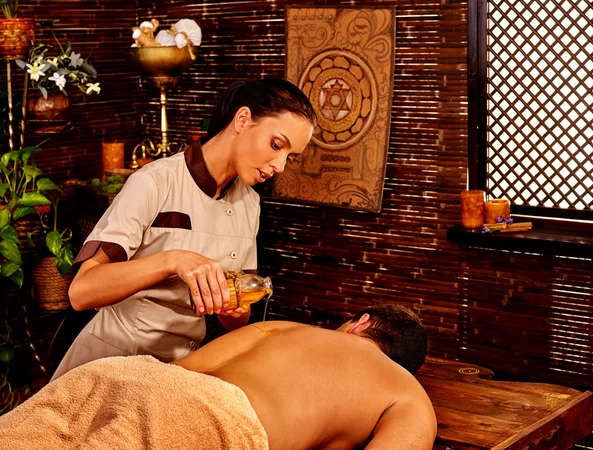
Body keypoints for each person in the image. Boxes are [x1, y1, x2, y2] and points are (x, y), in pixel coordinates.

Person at [51, 79, 317, 381]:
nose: (280, 165)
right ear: (242, 120)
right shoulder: (154, 182)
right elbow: (82, 291)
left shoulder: (249, 204)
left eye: (290, 157)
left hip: (180, 373)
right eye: (276, 145)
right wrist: (171, 260)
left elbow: (236, 320)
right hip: (109, 363)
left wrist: (232, 307)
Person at [0, 304, 437, 450]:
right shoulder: (408, 394)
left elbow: (185, 376)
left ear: (360, 323)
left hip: (126, 375)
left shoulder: (286, 329)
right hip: (209, 417)